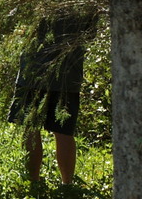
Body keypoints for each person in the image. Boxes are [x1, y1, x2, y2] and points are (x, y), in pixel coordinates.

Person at [7, 12, 97, 187]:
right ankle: (67, 185)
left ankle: (33, 182)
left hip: (33, 71)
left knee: (31, 127)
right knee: (64, 131)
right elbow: (90, 35)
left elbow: (19, 22)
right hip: (68, 73)